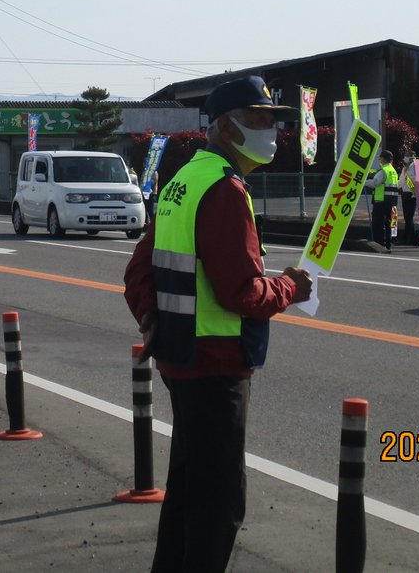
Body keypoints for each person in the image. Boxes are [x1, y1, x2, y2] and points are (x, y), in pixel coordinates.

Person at [123, 75, 312, 573]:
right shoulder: (226, 191)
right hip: (217, 366)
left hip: (182, 361)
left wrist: (151, 317)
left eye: (275, 120)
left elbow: (138, 271)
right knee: (220, 506)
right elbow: (243, 294)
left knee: (186, 493)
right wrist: (292, 287)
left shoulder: (183, 180)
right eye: (261, 118)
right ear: (227, 127)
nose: (272, 130)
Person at [365, 148, 399, 251]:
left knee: (378, 224)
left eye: (380, 157)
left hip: (380, 201)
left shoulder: (383, 171)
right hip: (392, 202)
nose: (379, 159)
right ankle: (388, 244)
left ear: (383, 159)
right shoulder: (393, 171)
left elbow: (375, 183)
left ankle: (379, 244)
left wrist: (363, 181)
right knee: (388, 224)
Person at [398, 149, 418, 246]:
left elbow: (415, 180)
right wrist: (398, 187)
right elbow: (401, 180)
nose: (405, 157)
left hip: (411, 194)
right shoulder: (405, 168)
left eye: (407, 155)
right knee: (407, 217)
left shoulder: (414, 166)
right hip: (404, 193)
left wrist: (406, 178)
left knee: (409, 217)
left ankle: (408, 238)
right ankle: (411, 238)